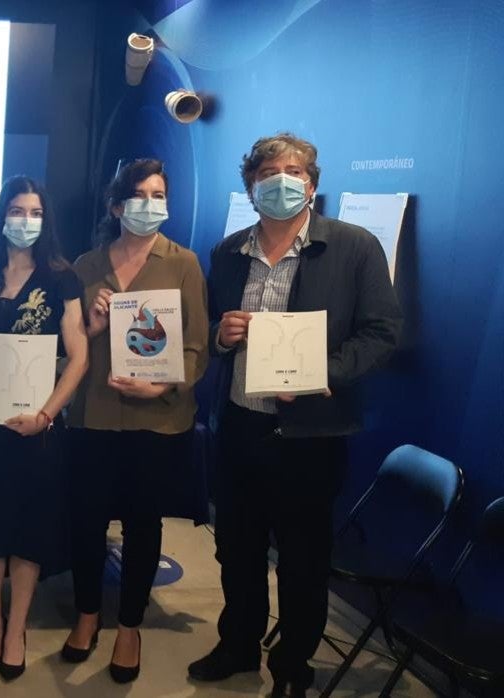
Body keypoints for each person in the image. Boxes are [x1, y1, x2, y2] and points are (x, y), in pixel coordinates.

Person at [186, 134, 401, 697]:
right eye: (269, 171)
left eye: (294, 170)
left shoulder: (354, 247)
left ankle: (292, 664)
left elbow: (383, 333)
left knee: (304, 561)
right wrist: (221, 335)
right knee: (235, 549)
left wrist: (326, 372)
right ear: (251, 184)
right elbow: (209, 334)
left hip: (309, 435)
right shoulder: (228, 252)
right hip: (239, 425)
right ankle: (237, 645)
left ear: (313, 181)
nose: (282, 180)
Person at [61, 158, 209, 683]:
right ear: (117, 205)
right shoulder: (84, 266)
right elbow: (68, 348)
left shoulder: (183, 263)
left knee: (144, 525)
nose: (150, 204)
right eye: (140, 195)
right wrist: (95, 326)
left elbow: (196, 348)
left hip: (158, 420)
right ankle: (86, 615)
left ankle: (129, 626)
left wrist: (162, 383)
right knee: (86, 522)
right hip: (93, 415)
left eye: (159, 194)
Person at [0, 176, 88, 681]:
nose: (24, 220)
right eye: (16, 210)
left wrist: (48, 414)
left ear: (45, 220)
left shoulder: (61, 278)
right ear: (0, 216)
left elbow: (78, 356)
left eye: (34, 212)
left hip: (39, 423)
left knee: (27, 529)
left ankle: (17, 629)